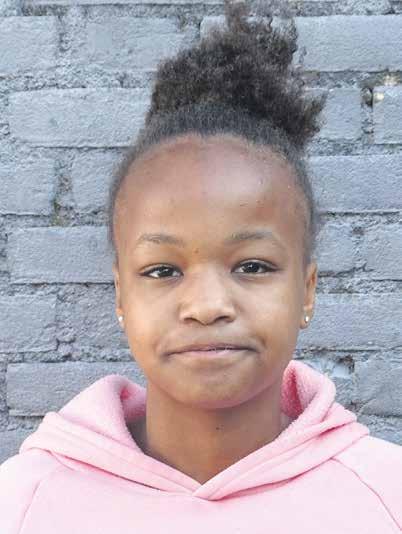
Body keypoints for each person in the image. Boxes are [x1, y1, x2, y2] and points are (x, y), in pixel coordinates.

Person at [1, 1, 401, 532]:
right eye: (163, 271)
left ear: (307, 290)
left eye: (252, 266)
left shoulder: (385, 495)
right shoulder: (23, 502)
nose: (208, 306)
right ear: (120, 296)